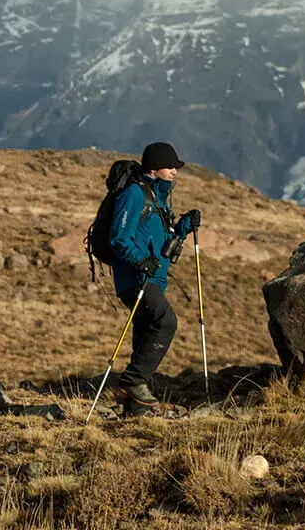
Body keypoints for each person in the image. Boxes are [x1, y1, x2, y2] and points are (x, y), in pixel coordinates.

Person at [108, 142, 200, 416]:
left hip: (154, 278)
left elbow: (161, 242)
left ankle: (134, 408)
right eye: (170, 166)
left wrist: (183, 227)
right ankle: (133, 381)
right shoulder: (134, 195)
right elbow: (119, 238)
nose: (175, 171)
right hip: (136, 278)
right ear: (154, 167)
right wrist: (139, 260)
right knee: (165, 321)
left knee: (148, 330)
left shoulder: (158, 198)